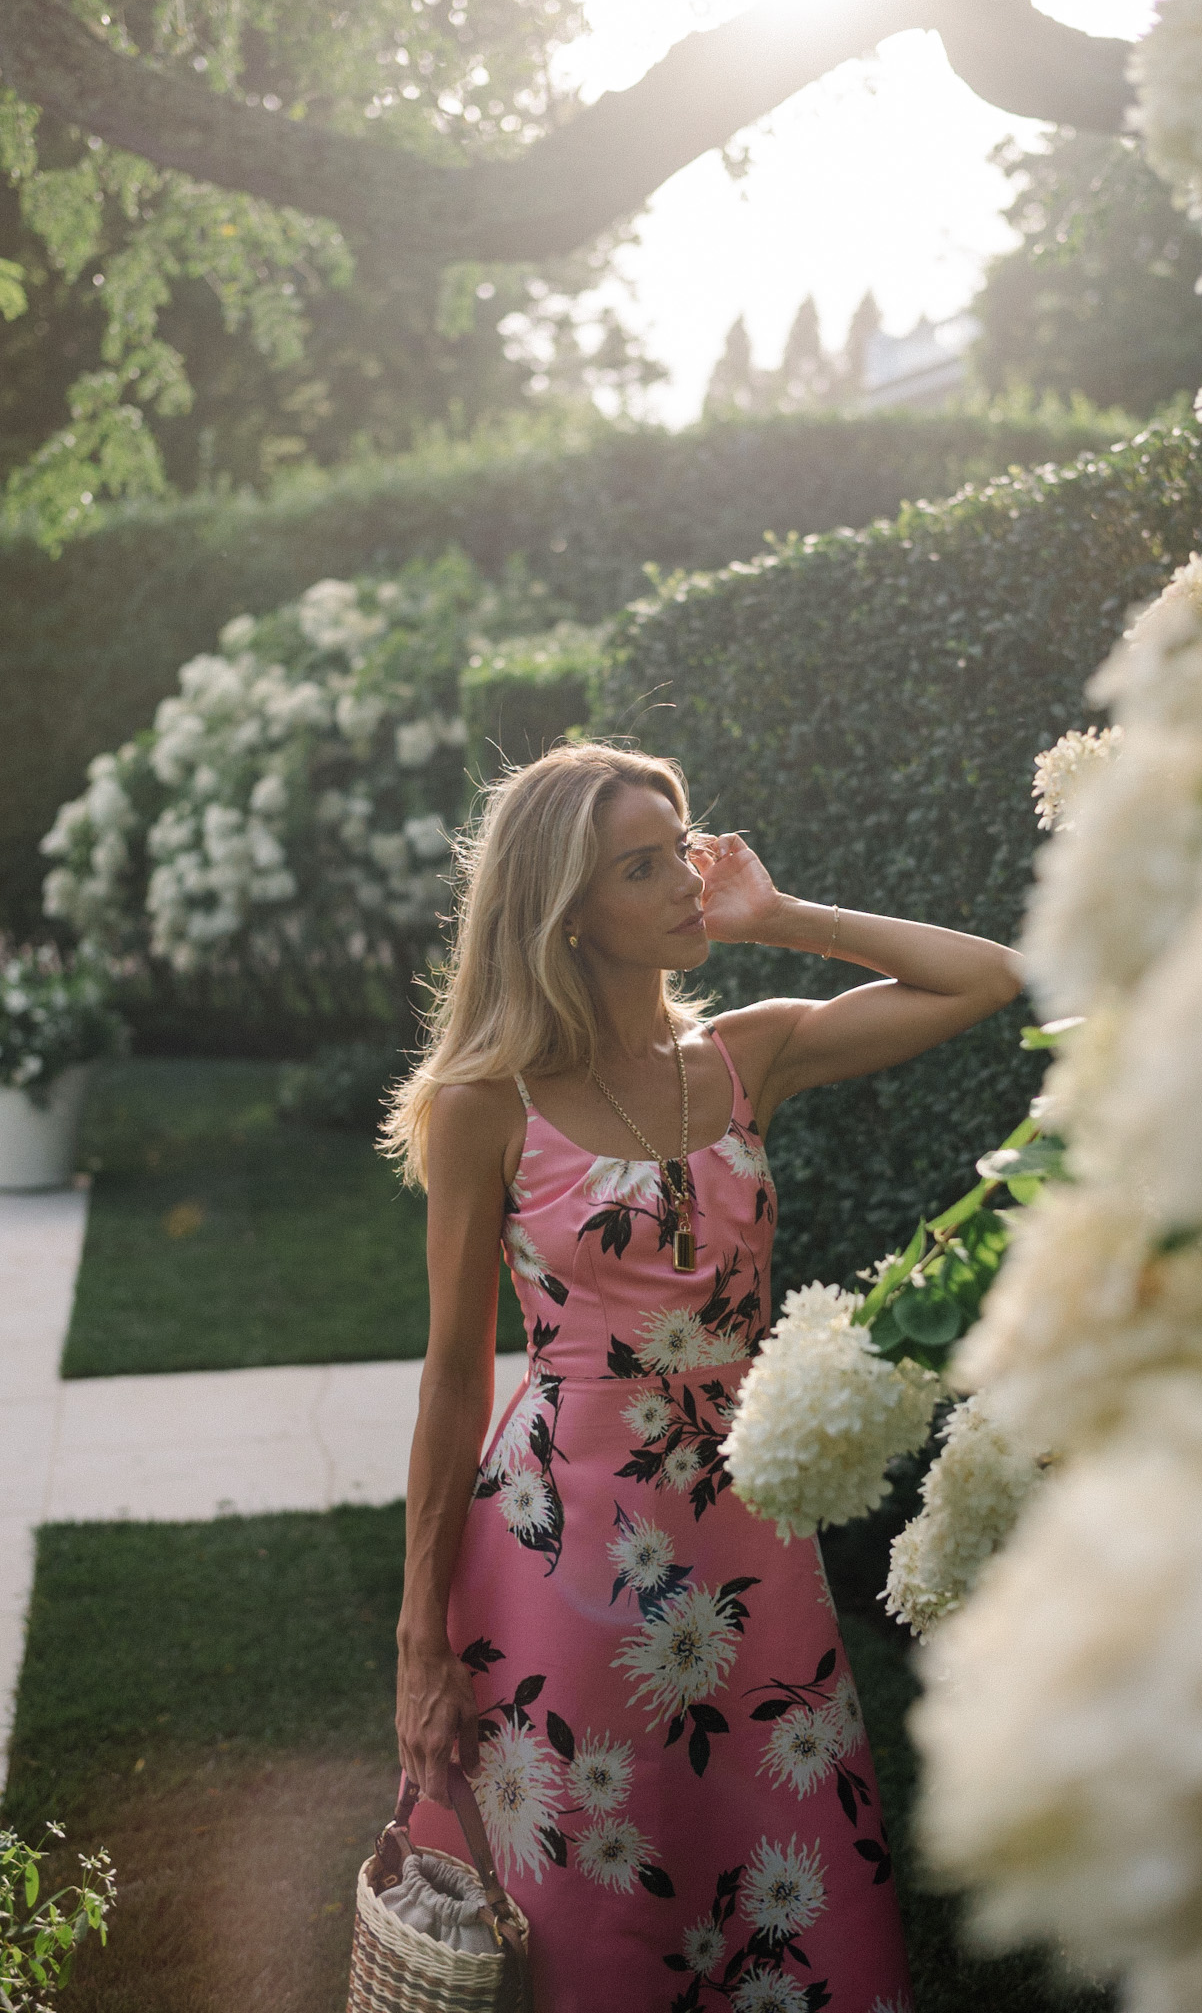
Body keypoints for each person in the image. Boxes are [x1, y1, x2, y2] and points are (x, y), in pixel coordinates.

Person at [379, 741, 1022, 2013]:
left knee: (774, 1845)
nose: (681, 880)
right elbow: (453, 1379)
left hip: (743, 1531)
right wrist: (417, 1639)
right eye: (640, 865)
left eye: (680, 845)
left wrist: (780, 916)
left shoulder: (746, 1055)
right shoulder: (484, 1103)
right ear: (566, 912)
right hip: (558, 1539)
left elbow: (990, 978)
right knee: (594, 1882)